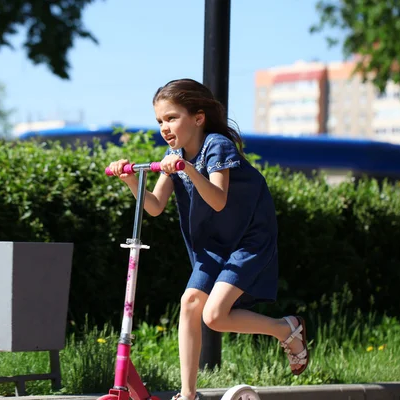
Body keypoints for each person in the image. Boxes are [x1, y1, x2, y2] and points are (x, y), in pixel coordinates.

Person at [107, 78, 309, 400]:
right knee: (190, 304)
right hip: (214, 244)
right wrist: (132, 180)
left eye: (172, 118)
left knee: (214, 315)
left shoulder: (217, 145)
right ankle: (187, 395)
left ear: (198, 118)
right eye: (160, 120)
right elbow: (155, 207)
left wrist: (187, 169)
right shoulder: (173, 154)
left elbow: (217, 199)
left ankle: (285, 329)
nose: (164, 127)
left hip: (248, 237)